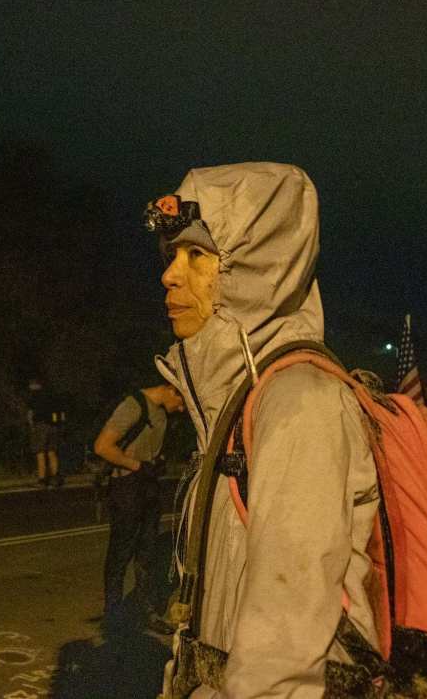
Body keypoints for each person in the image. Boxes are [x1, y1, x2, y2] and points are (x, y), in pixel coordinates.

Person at [147, 163, 378, 697]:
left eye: (196, 255)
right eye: (172, 255)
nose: (170, 275)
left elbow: (283, 663)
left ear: (253, 270)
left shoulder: (299, 405)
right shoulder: (242, 400)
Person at [93, 383, 183, 633]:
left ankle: (147, 613)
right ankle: (112, 616)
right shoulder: (134, 406)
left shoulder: (161, 412)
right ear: (172, 389)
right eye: (181, 403)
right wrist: (136, 466)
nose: (181, 410)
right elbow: (102, 446)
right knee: (120, 554)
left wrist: (156, 462)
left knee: (147, 553)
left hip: (148, 485)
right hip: (127, 486)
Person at [26, 378, 63, 487]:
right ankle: (55, 478)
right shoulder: (51, 395)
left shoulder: (33, 396)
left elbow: (30, 413)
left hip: (40, 425)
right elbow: (60, 411)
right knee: (52, 451)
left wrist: (31, 426)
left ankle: (42, 480)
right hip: (53, 426)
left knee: (40, 452)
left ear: (34, 385)